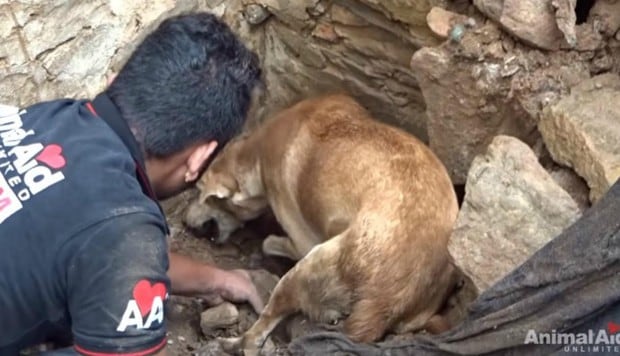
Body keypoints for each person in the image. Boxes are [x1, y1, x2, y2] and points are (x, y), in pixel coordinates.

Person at [0, 12, 263, 355]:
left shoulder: (48, 117)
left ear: (114, 83)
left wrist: (221, 281)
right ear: (199, 158)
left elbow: (114, 252)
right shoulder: (124, 229)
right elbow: (122, 249)